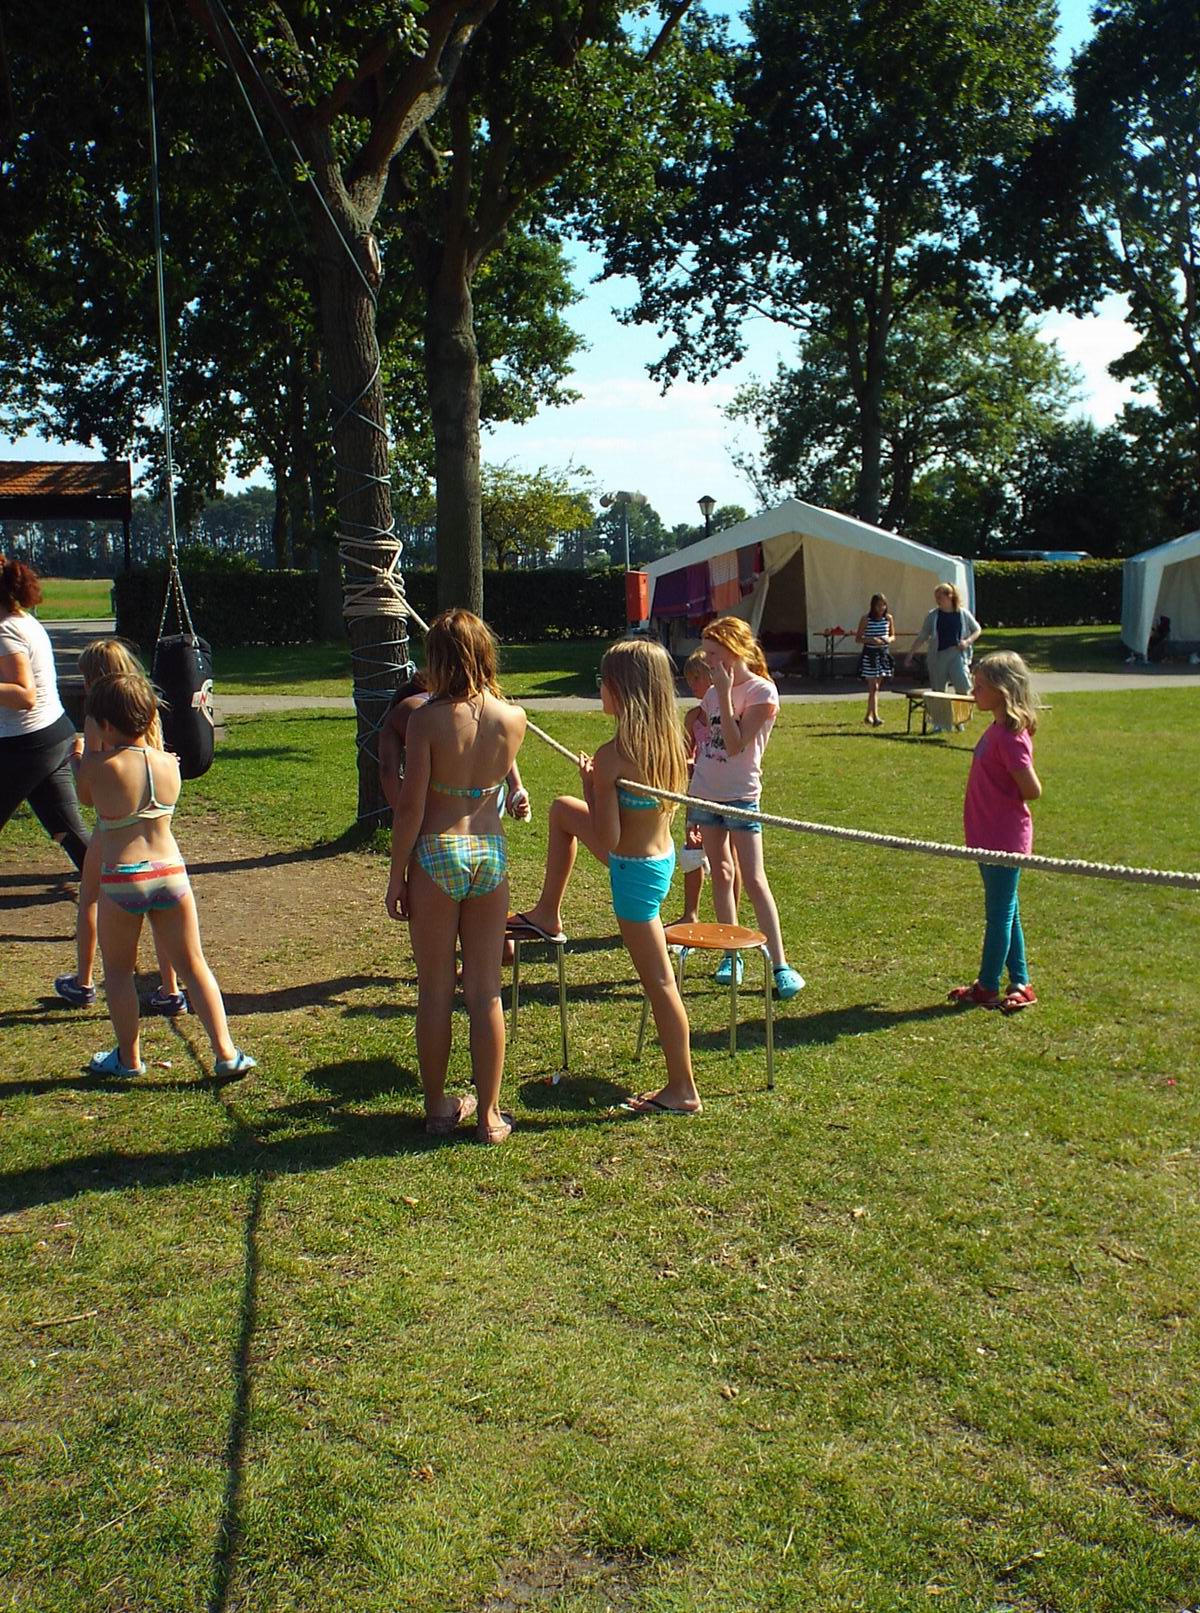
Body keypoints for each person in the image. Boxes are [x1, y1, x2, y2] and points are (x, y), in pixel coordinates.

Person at [513, 637, 700, 1115]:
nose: (599, 688)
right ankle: (547, 913)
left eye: (603, 682)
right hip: (655, 861)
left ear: (622, 690)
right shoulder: (670, 741)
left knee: (660, 984)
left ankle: (682, 1089)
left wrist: (593, 785)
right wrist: (590, 791)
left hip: (632, 875)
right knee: (562, 811)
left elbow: (609, 837)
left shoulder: (614, 756)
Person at [385, 610, 527, 1144]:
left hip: (436, 851)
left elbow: (410, 808)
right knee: (486, 991)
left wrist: (397, 875)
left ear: (438, 660)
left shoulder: (425, 720)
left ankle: (438, 1107)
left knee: (435, 989)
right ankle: (489, 1115)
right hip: (489, 851)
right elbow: (503, 781)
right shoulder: (513, 717)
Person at [74, 671, 255, 1077]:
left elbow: (86, 796)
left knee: (118, 972)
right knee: (194, 965)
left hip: (124, 877)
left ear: (105, 724)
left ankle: (128, 1058)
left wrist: (83, 753)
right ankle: (226, 1052)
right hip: (171, 873)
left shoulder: (100, 765)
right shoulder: (168, 763)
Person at [53, 639, 185, 1014]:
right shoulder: (147, 709)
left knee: (90, 897)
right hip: (155, 825)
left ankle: (83, 981)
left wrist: (77, 757)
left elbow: (89, 787)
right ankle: (171, 988)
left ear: (94, 679)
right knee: (163, 913)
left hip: (113, 826)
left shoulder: (100, 718)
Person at [688, 616, 805, 998]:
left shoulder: (761, 691)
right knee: (721, 873)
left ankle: (780, 964)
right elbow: (707, 745)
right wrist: (692, 799)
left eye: (713, 653)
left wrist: (723, 694)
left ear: (733, 650)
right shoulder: (711, 693)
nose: (708, 661)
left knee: (753, 879)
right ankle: (731, 954)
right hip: (707, 793)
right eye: (706, 653)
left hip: (741, 795)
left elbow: (736, 744)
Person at [949, 652, 1042, 1014]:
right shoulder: (996, 729)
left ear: (1002, 691)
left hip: (1004, 839)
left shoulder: (1011, 737)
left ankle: (988, 986)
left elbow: (1032, 789)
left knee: (1000, 914)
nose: (974, 692)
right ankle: (1020, 982)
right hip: (985, 834)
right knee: (1008, 910)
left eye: (980, 686)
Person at [0, 556, 90, 873]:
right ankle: (119, 883)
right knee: (66, 828)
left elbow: (24, 695)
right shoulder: (21, 621)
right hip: (51, 735)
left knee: (67, 827)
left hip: (25, 745)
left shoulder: (5, 631)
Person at [669, 650, 741, 927]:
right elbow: (686, 752)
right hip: (698, 790)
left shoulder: (731, 714)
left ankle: (730, 920)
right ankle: (691, 913)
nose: (692, 685)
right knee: (692, 849)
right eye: (688, 679)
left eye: (696, 678)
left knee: (729, 855)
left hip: (728, 791)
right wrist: (686, 763)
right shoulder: (693, 717)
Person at [906, 584, 982, 711]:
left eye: (940, 597)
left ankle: (961, 716)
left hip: (957, 654)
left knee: (963, 686)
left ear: (950, 596)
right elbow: (923, 635)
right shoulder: (933, 615)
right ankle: (940, 718)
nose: (938, 600)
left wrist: (968, 641)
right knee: (938, 690)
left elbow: (977, 629)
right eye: (936, 597)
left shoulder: (962, 613)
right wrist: (910, 654)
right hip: (938, 656)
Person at [854, 593, 895, 727]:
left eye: (883, 605)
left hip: (883, 655)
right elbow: (858, 638)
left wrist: (888, 639)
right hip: (870, 655)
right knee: (873, 687)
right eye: (878, 605)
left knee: (876, 688)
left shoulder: (888, 618)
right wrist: (871, 640)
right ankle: (876, 717)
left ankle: (868, 715)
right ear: (873, 606)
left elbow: (893, 635)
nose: (881, 608)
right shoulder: (866, 619)